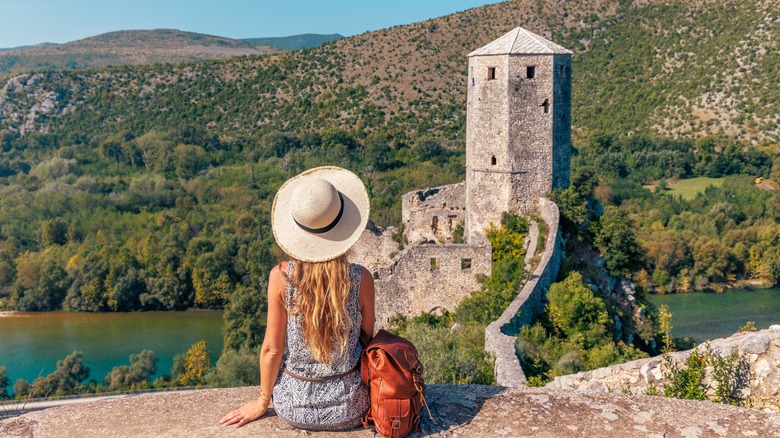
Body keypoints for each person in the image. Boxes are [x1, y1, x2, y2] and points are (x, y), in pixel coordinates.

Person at [220, 166, 374, 430]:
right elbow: (367, 338)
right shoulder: (361, 278)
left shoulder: (281, 277)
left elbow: (273, 348)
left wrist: (261, 400)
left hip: (294, 408)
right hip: (352, 407)